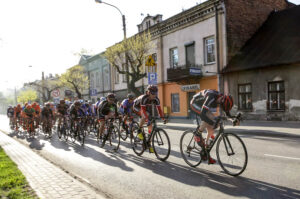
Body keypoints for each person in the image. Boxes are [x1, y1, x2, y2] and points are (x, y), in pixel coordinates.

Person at [190, 89, 235, 164]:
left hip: (204, 105)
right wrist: (212, 122)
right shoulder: (211, 97)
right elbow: (202, 114)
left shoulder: (222, 99)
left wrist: (233, 118)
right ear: (221, 100)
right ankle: (197, 134)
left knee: (211, 129)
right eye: (221, 105)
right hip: (195, 103)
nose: (220, 106)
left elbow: (227, 113)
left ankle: (206, 153)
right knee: (209, 119)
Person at [133, 85, 166, 153]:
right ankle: (139, 130)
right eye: (153, 93)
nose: (154, 95)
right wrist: (147, 119)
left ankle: (149, 144)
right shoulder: (144, 98)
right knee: (146, 115)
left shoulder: (156, 99)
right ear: (148, 92)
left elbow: (159, 109)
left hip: (146, 108)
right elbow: (143, 111)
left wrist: (163, 118)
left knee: (150, 128)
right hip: (137, 107)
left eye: (156, 93)